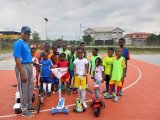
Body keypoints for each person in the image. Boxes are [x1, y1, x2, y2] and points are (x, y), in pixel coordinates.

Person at [13, 26, 36, 118]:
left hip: (29, 65)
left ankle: (29, 104)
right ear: (21, 33)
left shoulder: (26, 43)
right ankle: (24, 109)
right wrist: (22, 73)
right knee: (24, 88)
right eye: (25, 33)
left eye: (28, 34)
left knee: (30, 87)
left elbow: (27, 57)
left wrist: (33, 63)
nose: (27, 35)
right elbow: (17, 58)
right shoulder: (18, 43)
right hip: (22, 67)